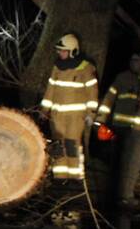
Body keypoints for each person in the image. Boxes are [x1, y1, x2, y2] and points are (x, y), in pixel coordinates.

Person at [93, 52, 140, 207]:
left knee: (135, 163)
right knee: (118, 162)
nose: (133, 63)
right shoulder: (122, 78)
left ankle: (127, 195)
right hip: (121, 128)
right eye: (131, 60)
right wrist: (100, 120)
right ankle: (112, 196)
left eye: (136, 60)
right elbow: (108, 99)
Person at [39, 33, 99, 180]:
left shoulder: (86, 68)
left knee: (72, 144)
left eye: (63, 50)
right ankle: (60, 176)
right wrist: (44, 110)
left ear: (73, 50)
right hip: (57, 116)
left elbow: (92, 92)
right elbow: (50, 89)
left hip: (76, 117)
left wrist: (91, 113)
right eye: (59, 50)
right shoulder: (57, 67)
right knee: (58, 144)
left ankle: (75, 176)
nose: (59, 53)